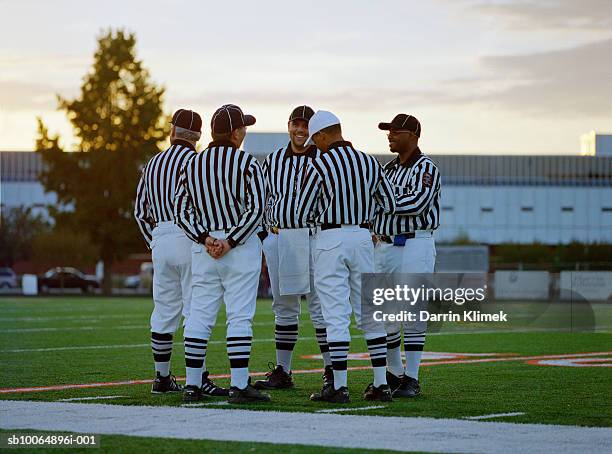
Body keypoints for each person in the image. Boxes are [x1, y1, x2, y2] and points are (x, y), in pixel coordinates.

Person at [297, 110, 396, 403]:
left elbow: (303, 210)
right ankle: (381, 384)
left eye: (316, 140)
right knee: (369, 311)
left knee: (335, 315)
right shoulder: (369, 162)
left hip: (330, 239)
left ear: (323, 135)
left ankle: (338, 386)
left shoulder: (319, 164)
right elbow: (388, 203)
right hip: (363, 238)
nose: (316, 145)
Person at [174, 104, 269, 404]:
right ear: (237, 132)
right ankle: (239, 385)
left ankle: (192, 384)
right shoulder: (247, 164)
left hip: (204, 250)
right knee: (239, 316)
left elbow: (180, 209)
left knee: (199, 315)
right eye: (244, 129)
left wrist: (205, 238)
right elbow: (257, 208)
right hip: (239, 250)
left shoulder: (192, 165)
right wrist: (230, 241)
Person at [134, 108, 227, 396]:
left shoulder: (152, 164)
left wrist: (155, 242)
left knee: (163, 310)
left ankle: (162, 378)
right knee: (195, 310)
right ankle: (197, 379)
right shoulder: (198, 162)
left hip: (161, 238)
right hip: (191, 238)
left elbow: (139, 212)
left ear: (172, 131)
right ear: (199, 136)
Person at [254, 105, 333, 391]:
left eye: (305, 126)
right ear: (288, 125)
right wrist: (266, 236)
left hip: (313, 237)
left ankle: (330, 369)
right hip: (280, 237)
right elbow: (261, 198)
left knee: (319, 305)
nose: (300, 131)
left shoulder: (325, 159)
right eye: (296, 125)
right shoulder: (273, 159)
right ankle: (283, 370)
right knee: (284, 306)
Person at [373, 113, 441, 397]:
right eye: (388, 131)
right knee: (384, 314)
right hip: (385, 245)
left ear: (412, 135)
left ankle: (411, 377)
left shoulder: (427, 168)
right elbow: (371, 203)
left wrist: (383, 202)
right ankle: (393, 373)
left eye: (395, 132)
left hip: (415, 243)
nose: (389, 135)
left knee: (412, 312)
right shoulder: (388, 169)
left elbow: (417, 202)